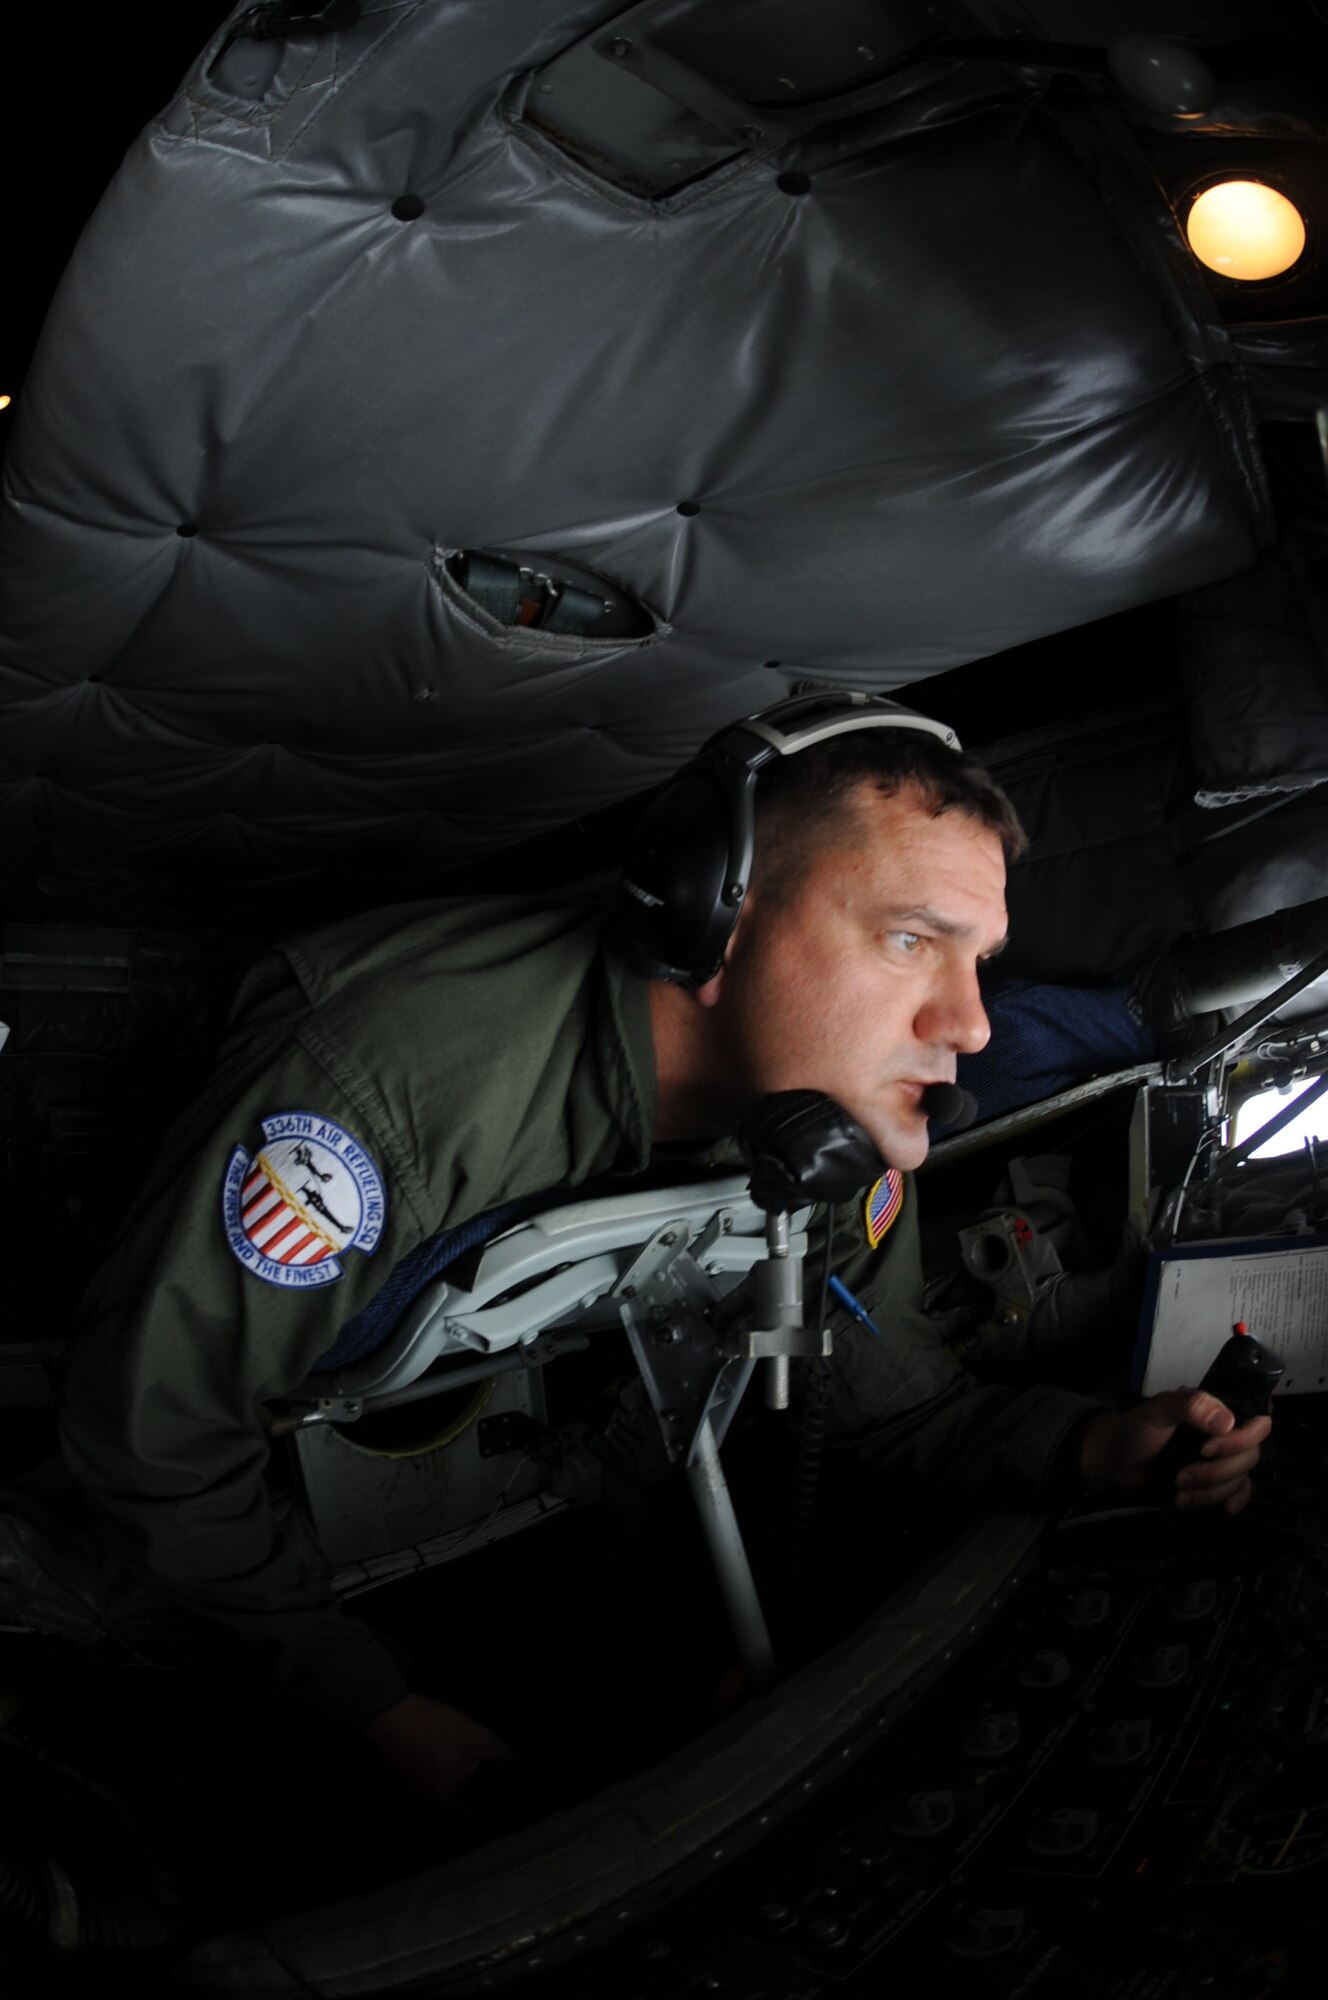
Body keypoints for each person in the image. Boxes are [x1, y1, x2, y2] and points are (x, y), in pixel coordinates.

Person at [53, 695, 1271, 1816]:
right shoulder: (387, 1086)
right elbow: (153, 1437)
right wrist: (369, 1705)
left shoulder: (835, 1130)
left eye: (977, 962)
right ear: (710, 915)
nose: (968, 1023)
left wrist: (1083, 1443)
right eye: (910, 940)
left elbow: (893, 1407)